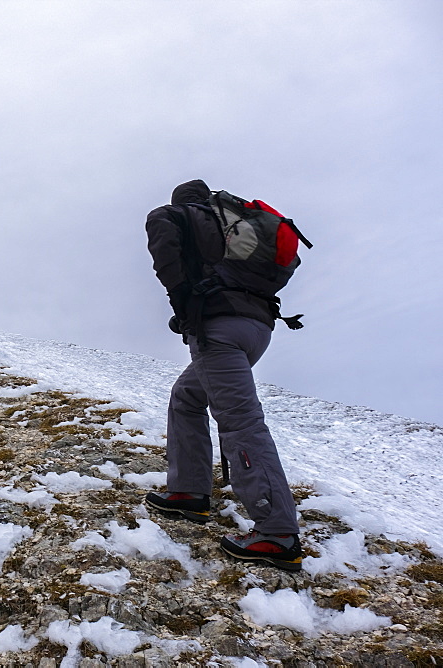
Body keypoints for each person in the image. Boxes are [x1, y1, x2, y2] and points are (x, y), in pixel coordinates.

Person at [143, 179, 302, 571]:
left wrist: (186, 307)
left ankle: (277, 532)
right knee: (187, 397)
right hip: (256, 328)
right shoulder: (234, 222)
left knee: (240, 422)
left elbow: (166, 259)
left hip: (218, 329)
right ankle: (188, 492)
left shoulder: (171, 215)